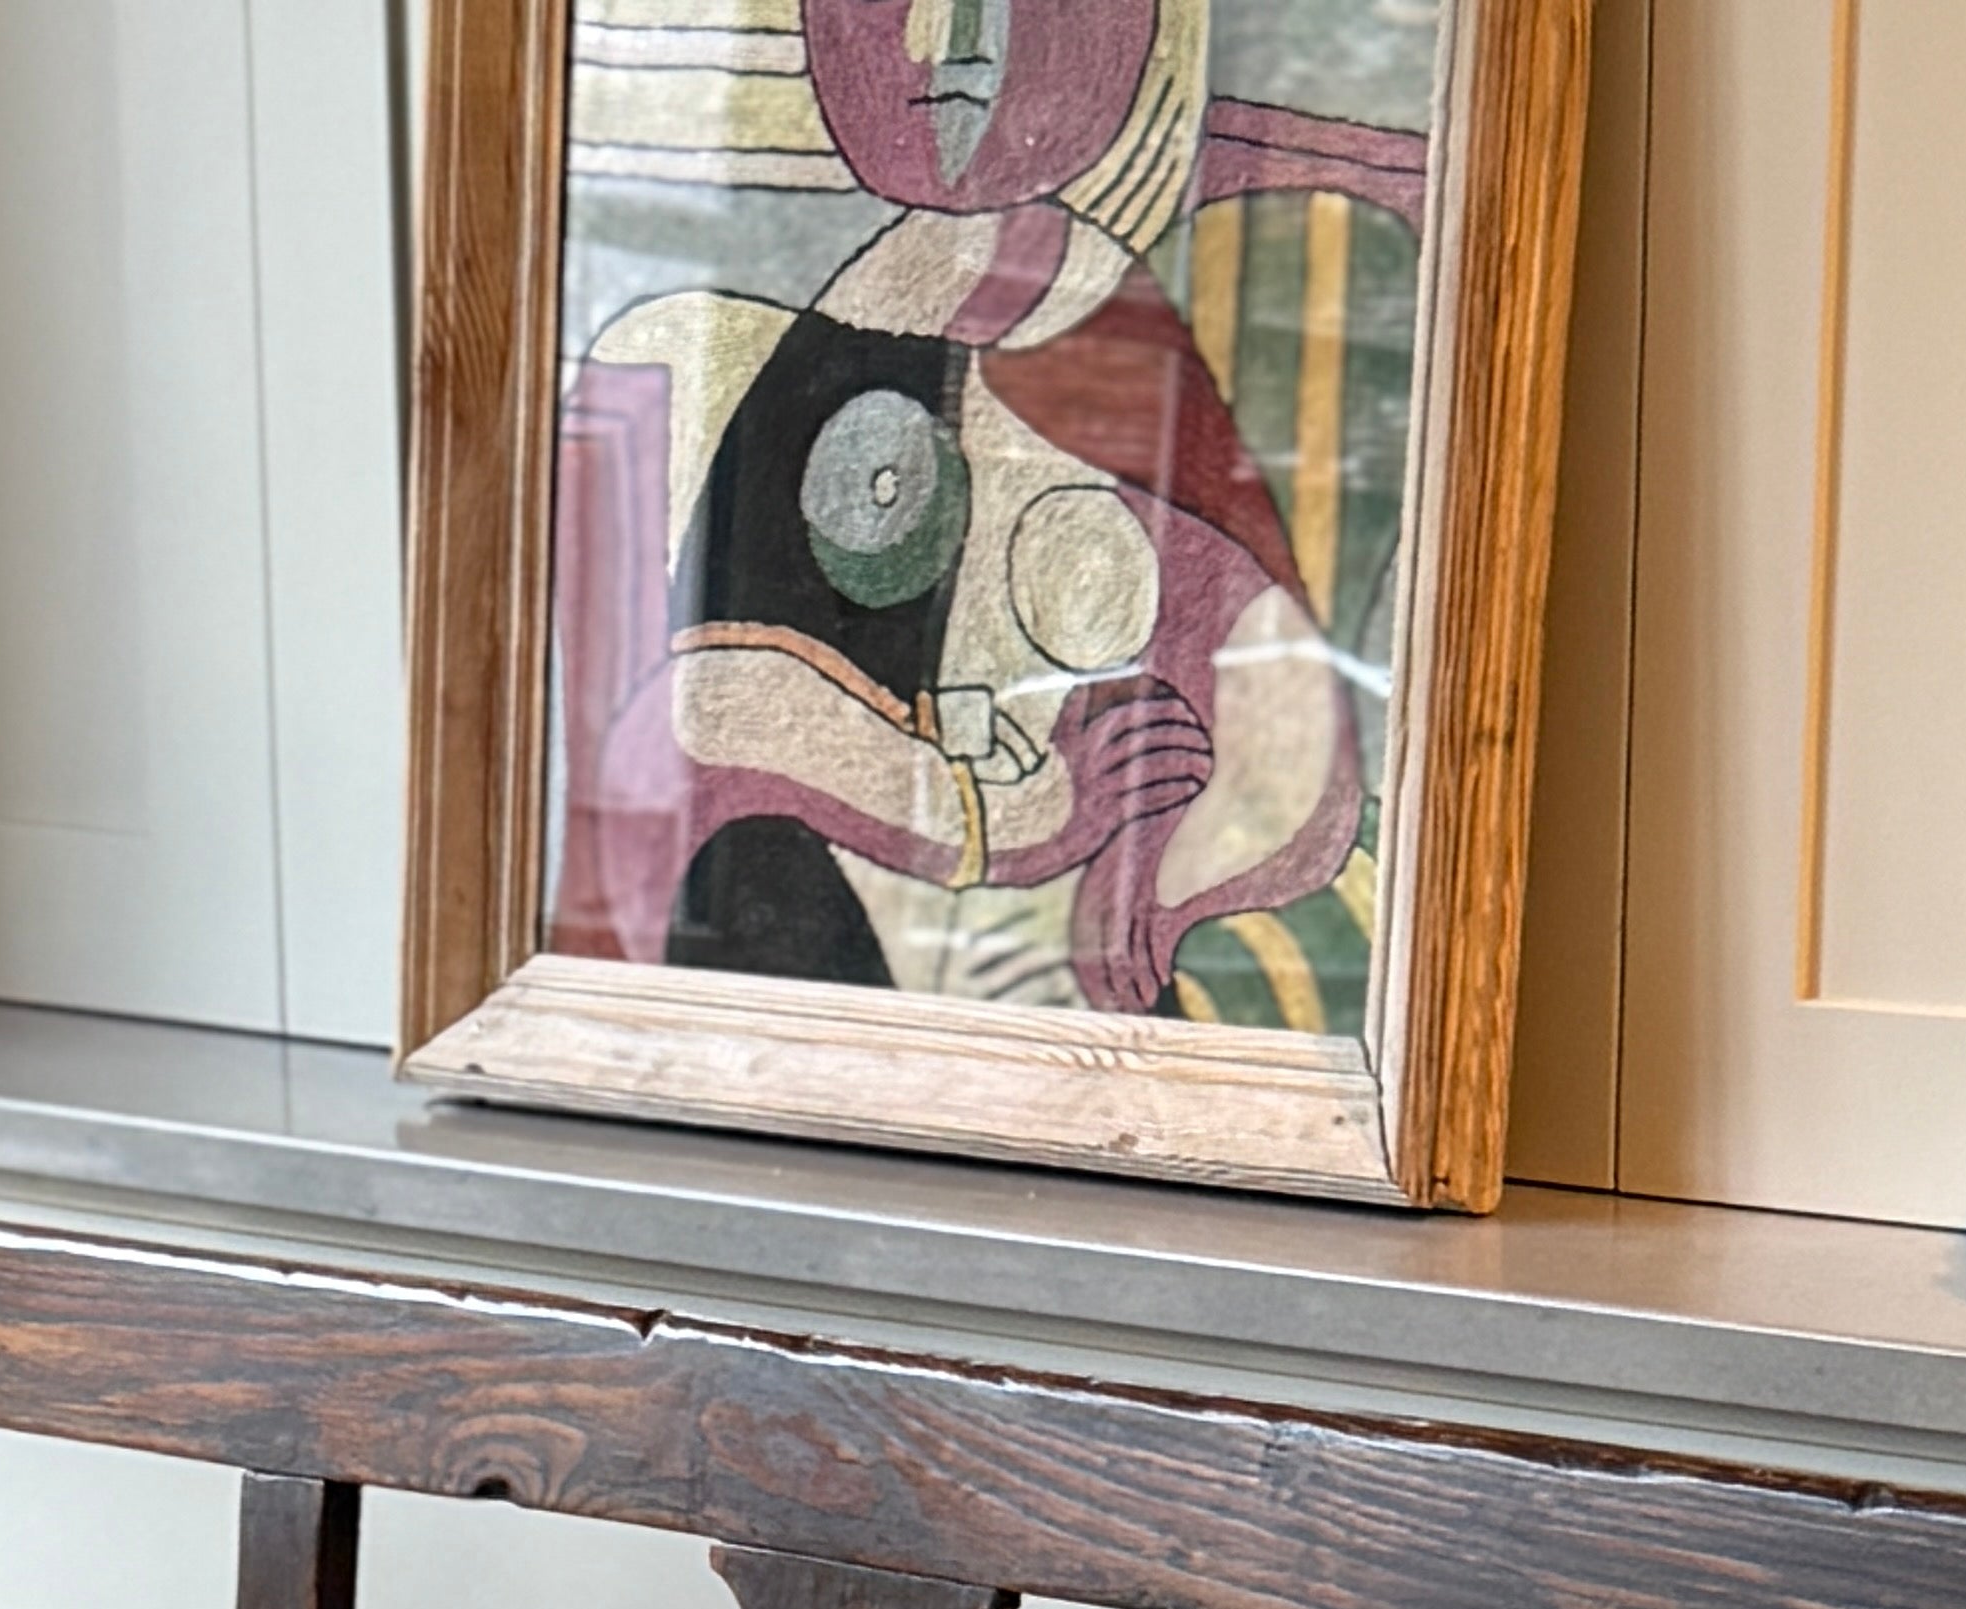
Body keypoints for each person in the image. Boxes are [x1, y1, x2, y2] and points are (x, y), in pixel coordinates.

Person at [550, 0, 1373, 1016]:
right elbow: (674, 738)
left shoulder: (1104, 345)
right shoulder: (679, 361)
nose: (945, 41)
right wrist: (1002, 815)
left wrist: (1159, 882)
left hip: (1015, 1018)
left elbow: (1281, 723)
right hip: (760, 996)